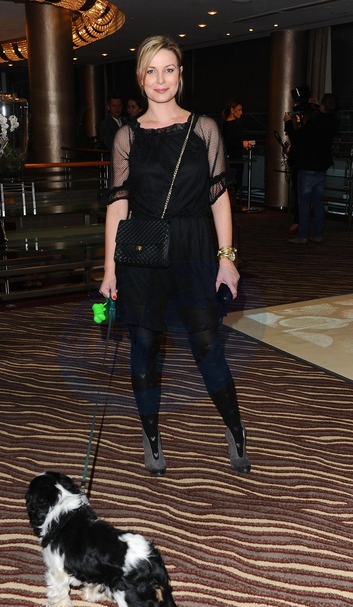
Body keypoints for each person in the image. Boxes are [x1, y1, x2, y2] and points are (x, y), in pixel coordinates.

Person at [99, 35, 250, 477]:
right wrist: (109, 268)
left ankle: (235, 428)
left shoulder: (205, 129)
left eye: (168, 69)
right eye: (151, 70)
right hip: (141, 250)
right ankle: (150, 435)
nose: (160, 79)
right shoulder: (126, 136)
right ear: (140, 78)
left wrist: (226, 257)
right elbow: (118, 205)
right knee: (144, 346)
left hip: (192, 245)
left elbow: (219, 197)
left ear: (181, 75)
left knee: (206, 344)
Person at [284, 93, 339, 244]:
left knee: (304, 203)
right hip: (321, 167)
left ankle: (302, 236)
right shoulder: (333, 122)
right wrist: (319, 107)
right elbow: (328, 116)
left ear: (323, 106)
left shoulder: (314, 122)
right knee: (318, 203)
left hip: (307, 166)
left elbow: (297, 136)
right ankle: (318, 234)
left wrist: (288, 122)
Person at [221, 100, 252, 206]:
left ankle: (233, 206)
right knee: (232, 184)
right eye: (239, 110)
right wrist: (241, 144)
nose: (241, 112)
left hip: (237, 157)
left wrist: (244, 143)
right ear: (232, 110)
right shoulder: (227, 125)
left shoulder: (236, 123)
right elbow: (228, 143)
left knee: (236, 183)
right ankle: (230, 207)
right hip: (232, 159)